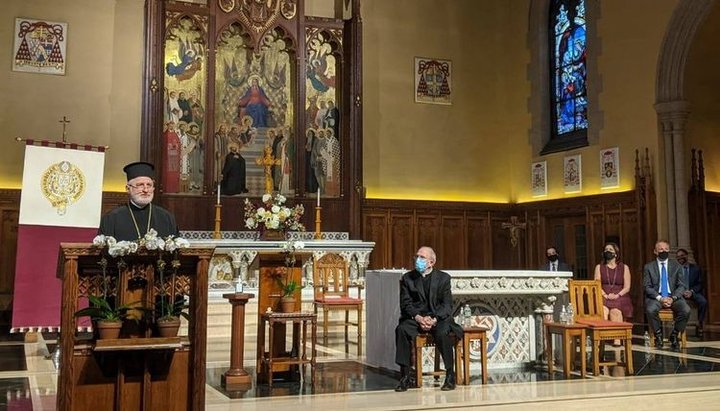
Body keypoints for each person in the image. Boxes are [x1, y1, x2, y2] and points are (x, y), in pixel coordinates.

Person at [395, 246, 463, 392]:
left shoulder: (444, 278)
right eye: (417, 256)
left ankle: (450, 375)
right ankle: (405, 376)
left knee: (442, 332)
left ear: (431, 262)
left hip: (437, 318)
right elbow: (405, 304)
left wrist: (434, 319)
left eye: (422, 257)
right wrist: (419, 318)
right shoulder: (408, 278)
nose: (417, 259)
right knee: (402, 329)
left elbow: (447, 305)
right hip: (417, 318)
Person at [98, 162, 180, 241]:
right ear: (128, 189)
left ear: (153, 188)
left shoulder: (166, 217)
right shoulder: (111, 218)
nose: (145, 190)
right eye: (140, 185)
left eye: (149, 185)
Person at [643, 240, 690, 349]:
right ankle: (658, 335)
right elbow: (647, 287)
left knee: (686, 310)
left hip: (673, 297)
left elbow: (682, 286)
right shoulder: (648, 267)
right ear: (655, 251)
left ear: (669, 250)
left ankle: (674, 335)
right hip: (656, 297)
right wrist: (660, 298)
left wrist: (672, 298)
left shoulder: (677, 266)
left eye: (665, 249)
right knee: (650, 310)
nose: (663, 251)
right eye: (660, 249)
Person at [594, 242, 633, 330]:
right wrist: (605, 295)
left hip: (620, 296)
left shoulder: (624, 267)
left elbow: (627, 287)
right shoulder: (599, 267)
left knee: (615, 311)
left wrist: (617, 295)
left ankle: (617, 338)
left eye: (610, 250)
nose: (608, 251)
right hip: (603, 295)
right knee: (603, 311)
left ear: (616, 254)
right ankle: (602, 337)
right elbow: (597, 285)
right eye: (606, 250)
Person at [675, 248, 708, 337]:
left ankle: (700, 323)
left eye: (682, 256)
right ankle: (678, 325)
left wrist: (691, 292)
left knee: (703, 302)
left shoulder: (696, 269)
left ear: (686, 256)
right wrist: (680, 292)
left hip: (692, 292)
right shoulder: (675, 270)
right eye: (678, 257)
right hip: (680, 293)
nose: (680, 258)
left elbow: (700, 284)